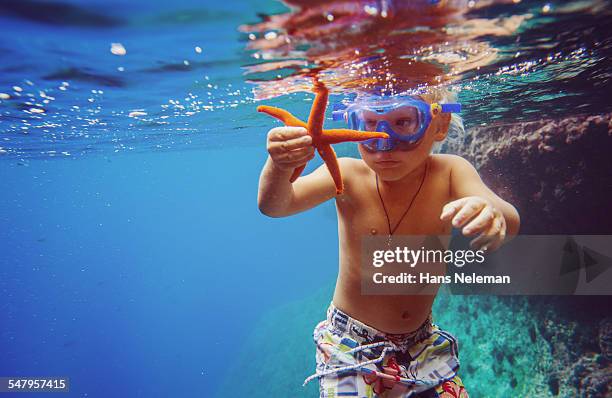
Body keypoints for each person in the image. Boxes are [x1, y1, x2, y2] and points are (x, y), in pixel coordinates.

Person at [257, 90, 520, 397]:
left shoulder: (451, 172)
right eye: (368, 124)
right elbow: (276, 205)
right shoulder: (346, 173)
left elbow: (508, 217)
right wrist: (279, 165)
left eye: (404, 122)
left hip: (422, 342)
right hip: (350, 342)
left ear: (439, 124)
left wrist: (494, 215)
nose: (384, 142)